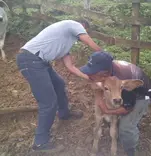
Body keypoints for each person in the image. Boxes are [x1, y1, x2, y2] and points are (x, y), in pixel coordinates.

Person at [16, 19, 101, 153]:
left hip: (40, 62)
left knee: (60, 84)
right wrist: (103, 55)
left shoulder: (64, 44)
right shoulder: (73, 24)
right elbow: (88, 41)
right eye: (85, 31)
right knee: (48, 102)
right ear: (83, 27)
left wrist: (90, 79)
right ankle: (40, 143)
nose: (83, 34)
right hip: (30, 60)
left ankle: (64, 113)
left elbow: (71, 67)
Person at [80, 51, 151, 156]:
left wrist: (107, 110)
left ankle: (131, 151)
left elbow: (128, 107)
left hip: (141, 95)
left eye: (93, 72)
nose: (89, 74)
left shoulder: (121, 80)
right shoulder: (107, 72)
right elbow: (95, 85)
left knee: (125, 127)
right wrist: (99, 100)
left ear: (104, 74)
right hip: (118, 90)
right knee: (111, 105)